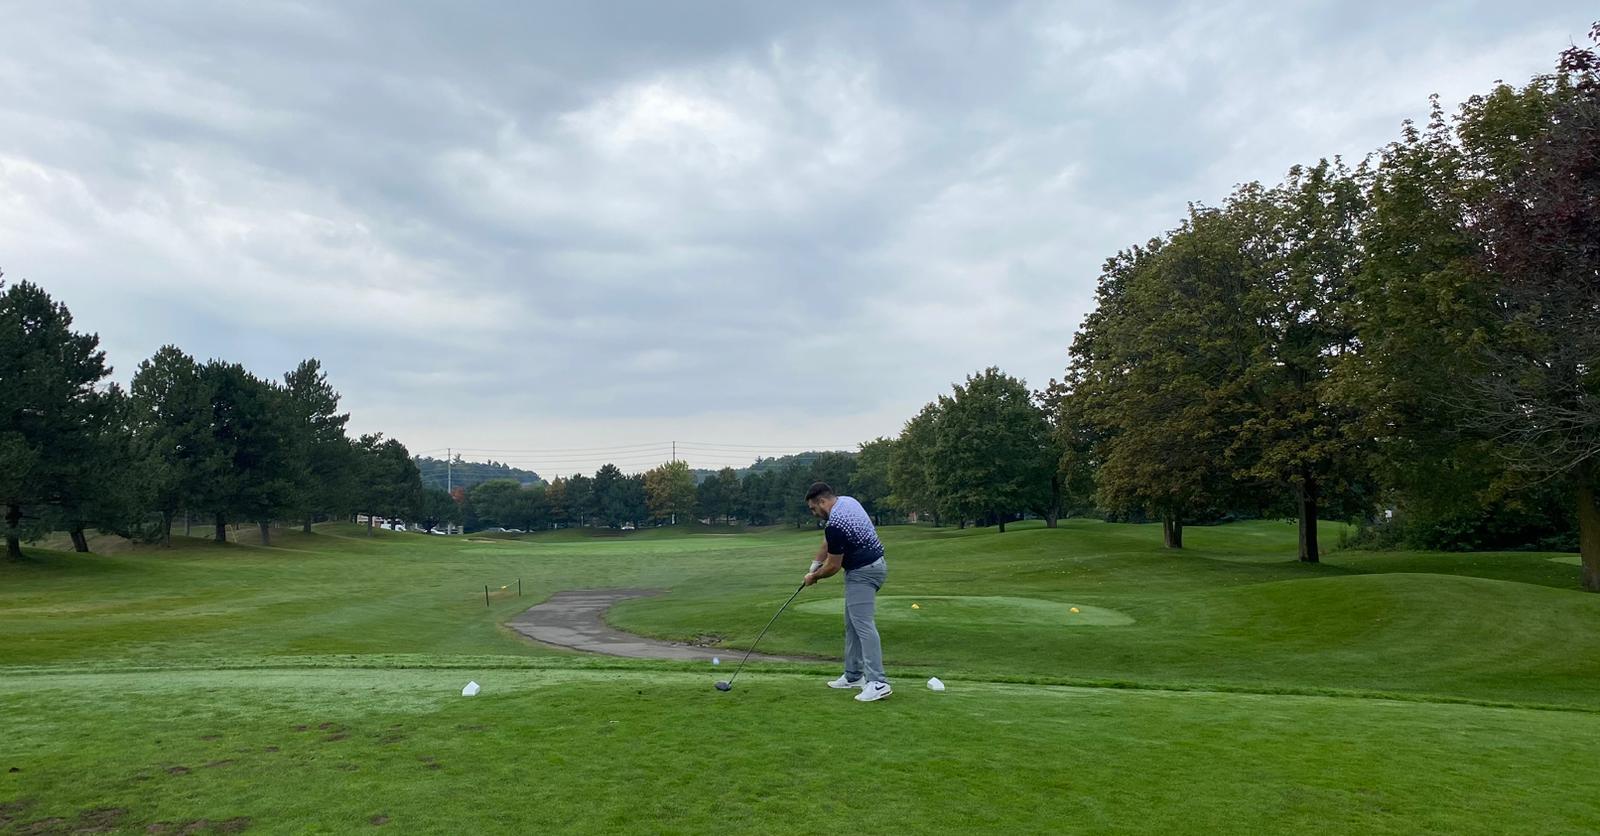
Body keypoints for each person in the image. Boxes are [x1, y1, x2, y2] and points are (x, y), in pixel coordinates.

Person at [802, 481, 890, 702]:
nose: (814, 513)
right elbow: (828, 542)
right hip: (873, 566)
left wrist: (814, 577)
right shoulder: (847, 502)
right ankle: (853, 675)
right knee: (852, 625)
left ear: (822, 502)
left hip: (863, 572)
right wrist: (814, 564)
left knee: (864, 625)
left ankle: (878, 682)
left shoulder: (836, 525)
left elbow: (833, 566)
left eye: (813, 508)